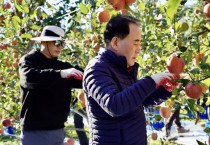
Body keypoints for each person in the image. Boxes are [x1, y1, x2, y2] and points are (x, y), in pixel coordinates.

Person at [82, 14, 175, 145]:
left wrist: (163, 90)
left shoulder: (125, 69)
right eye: (135, 43)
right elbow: (114, 106)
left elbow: (137, 103)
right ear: (115, 43)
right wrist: (151, 81)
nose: (139, 49)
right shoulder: (96, 70)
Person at [19, 25, 83, 145]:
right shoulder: (29, 60)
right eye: (57, 42)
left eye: (62, 44)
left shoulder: (62, 66)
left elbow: (85, 78)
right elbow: (28, 78)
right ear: (44, 41)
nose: (60, 47)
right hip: (35, 132)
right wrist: (60, 74)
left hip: (58, 130)